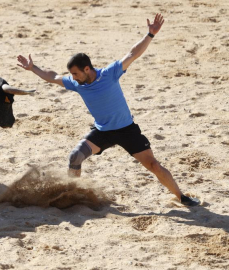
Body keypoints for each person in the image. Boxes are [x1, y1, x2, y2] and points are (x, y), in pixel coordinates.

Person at [17, 14, 200, 207]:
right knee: (75, 156)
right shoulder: (76, 83)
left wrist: (150, 35)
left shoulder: (109, 73)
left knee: (153, 165)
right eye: (72, 74)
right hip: (103, 131)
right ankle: (72, 196)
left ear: (87, 69)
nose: (73, 78)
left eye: (76, 73)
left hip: (127, 130)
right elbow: (52, 76)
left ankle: (182, 196)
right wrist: (32, 68)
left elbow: (132, 54)